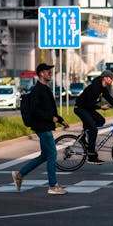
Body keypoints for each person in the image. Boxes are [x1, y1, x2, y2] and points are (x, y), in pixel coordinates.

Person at [12, 63, 70, 195]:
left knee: (45, 155)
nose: (50, 73)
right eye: (48, 71)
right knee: (52, 154)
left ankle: (20, 174)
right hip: (41, 126)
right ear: (41, 74)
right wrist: (51, 118)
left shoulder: (45, 88)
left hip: (45, 125)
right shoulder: (37, 90)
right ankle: (53, 185)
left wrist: (61, 120)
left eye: (50, 71)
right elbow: (35, 110)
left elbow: (49, 109)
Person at [74, 70, 113, 164]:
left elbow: (110, 99)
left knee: (101, 120)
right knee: (93, 129)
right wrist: (100, 107)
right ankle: (91, 156)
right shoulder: (95, 87)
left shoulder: (102, 88)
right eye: (111, 78)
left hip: (88, 108)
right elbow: (88, 103)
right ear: (105, 78)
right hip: (80, 108)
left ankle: (83, 136)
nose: (112, 80)